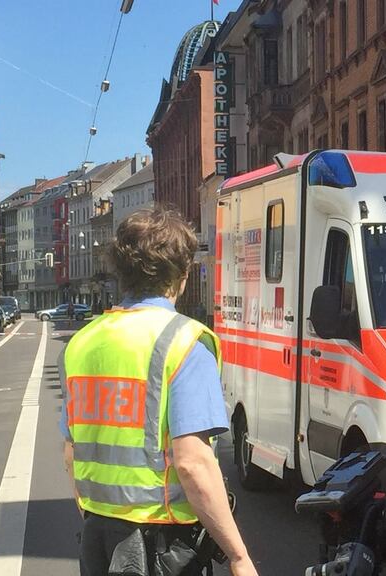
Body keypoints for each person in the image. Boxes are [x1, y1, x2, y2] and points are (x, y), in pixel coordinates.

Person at [60, 207, 258, 576]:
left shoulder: (81, 344)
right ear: (182, 277)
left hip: (97, 536)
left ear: (122, 273)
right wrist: (238, 555)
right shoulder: (183, 343)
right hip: (163, 547)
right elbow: (192, 463)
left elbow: (71, 453)